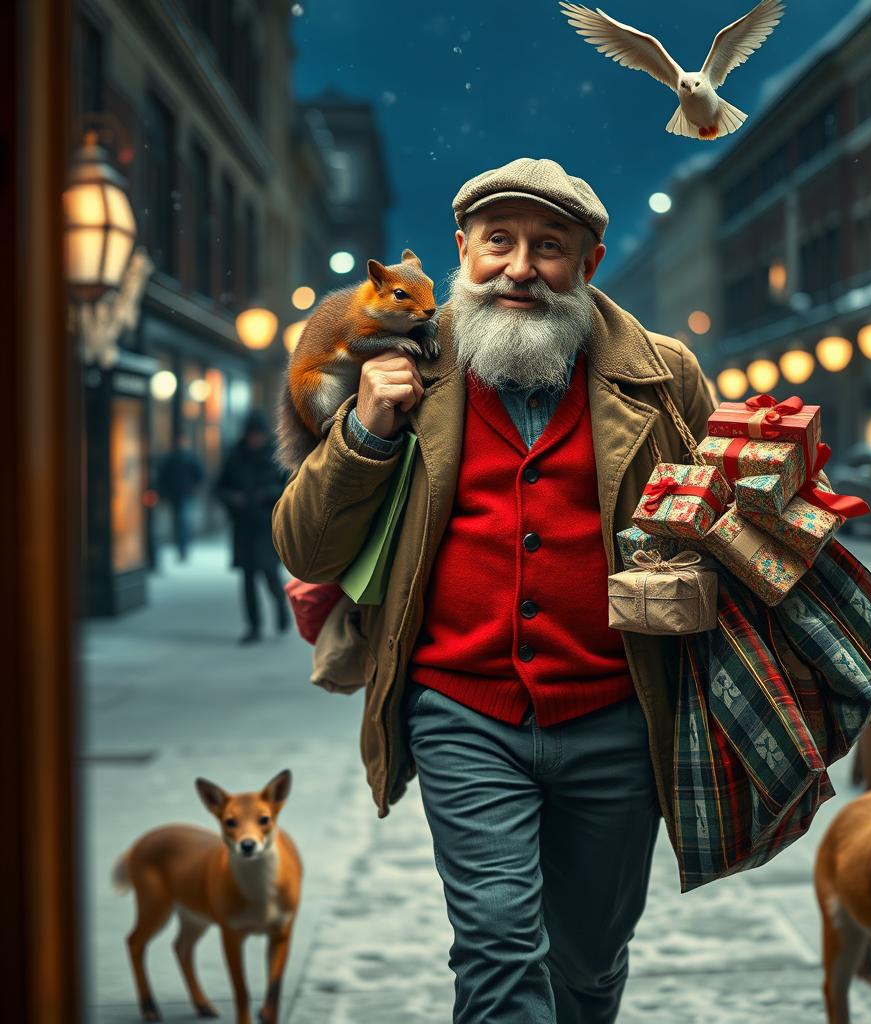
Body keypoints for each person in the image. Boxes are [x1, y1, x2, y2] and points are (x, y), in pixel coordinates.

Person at [272, 157, 717, 1023]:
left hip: (620, 712)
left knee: (588, 962)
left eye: (548, 247)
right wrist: (364, 431)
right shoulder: (399, 371)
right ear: (461, 252)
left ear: (587, 265)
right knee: (499, 948)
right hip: (461, 712)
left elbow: (723, 522)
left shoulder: (664, 377)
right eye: (498, 242)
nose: (519, 267)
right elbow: (307, 546)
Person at [218, 410, 291, 645]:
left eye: (257, 436)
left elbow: (289, 488)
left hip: (267, 525)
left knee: (270, 573)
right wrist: (232, 498)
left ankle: (280, 606)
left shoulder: (276, 455)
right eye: (251, 436)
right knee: (247, 579)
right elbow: (219, 487)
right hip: (243, 526)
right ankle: (253, 627)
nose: (254, 440)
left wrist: (268, 495)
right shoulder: (235, 455)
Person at [154, 432, 205, 561]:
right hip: (176, 495)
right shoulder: (173, 458)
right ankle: (181, 547)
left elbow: (199, 476)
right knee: (180, 521)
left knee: (182, 521)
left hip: (184, 494)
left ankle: (182, 548)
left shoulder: (188, 458)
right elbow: (162, 476)